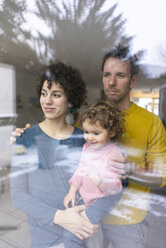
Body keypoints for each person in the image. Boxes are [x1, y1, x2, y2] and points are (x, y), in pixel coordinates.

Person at [10, 61, 126, 248]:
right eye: (43, 93)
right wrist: (59, 217)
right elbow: (18, 194)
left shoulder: (87, 139)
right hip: (45, 239)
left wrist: (123, 169)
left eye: (56, 95)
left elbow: (115, 185)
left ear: (70, 100)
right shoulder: (25, 139)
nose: (47, 101)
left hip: (85, 234)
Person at [100, 45, 166, 248]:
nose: (111, 82)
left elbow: (162, 177)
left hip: (129, 221)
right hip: (91, 215)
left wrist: (131, 170)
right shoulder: (91, 117)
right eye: (107, 75)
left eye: (120, 75)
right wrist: (28, 134)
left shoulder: (152, 122)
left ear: (133, 81)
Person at [63, 101, 126, 248]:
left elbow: (115, 189)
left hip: (102, 201)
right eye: (86, 132)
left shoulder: (114, 153)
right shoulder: (87, 148)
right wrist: (71, 191)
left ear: (112, 132)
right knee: (85, 235)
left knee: (74, 235)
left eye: (96, 133)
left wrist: (99, 181)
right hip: (85, 198)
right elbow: (80, 170)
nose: (89, 137)